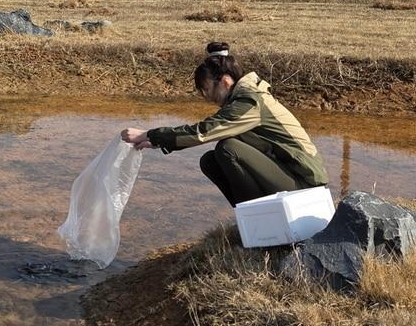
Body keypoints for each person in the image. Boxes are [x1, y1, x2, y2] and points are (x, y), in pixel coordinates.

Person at [121, 42, 328, 206]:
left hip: (306, 183)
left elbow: (202, 132)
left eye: (210, 92)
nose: (211, 100)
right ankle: (254, 220)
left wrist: (150, 134)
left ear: (225, 81)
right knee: (210, 161)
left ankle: (260, 223)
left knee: (228, 149)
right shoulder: (245, 97)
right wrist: (156, 142)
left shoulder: (250, 102)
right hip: (290, 174)